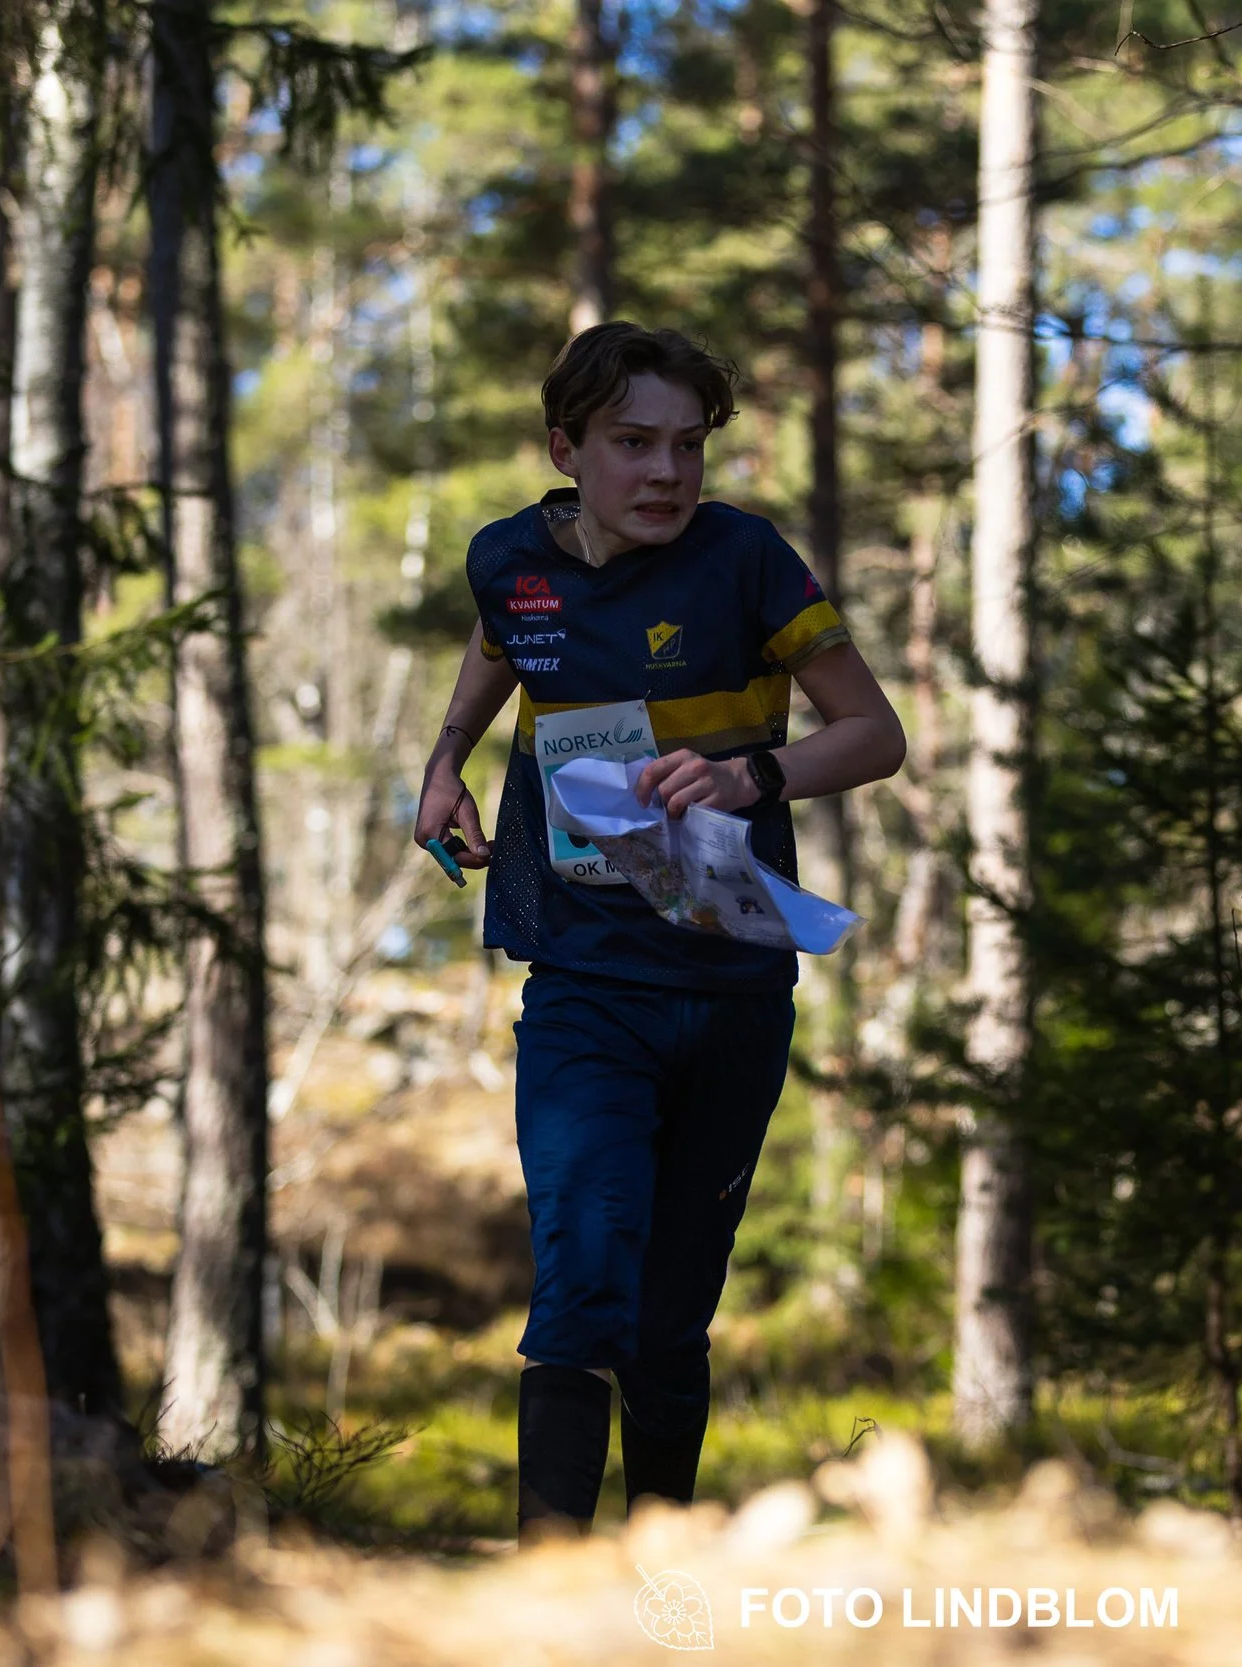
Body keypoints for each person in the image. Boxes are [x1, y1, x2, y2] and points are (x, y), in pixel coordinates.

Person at [412, 323, 905, 1539]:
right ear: (564, 449)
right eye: (633, 443)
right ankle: (553, 1582)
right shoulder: (510, 564)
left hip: (735, 985)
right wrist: (442, 764)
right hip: (586, 980)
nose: (667, 473)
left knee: (673, 1312)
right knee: (583, 1275)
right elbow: (502, 648)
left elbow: (876, 733)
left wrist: (756, 777)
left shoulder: (745, 560)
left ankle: (659, 1582)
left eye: (687, 444)